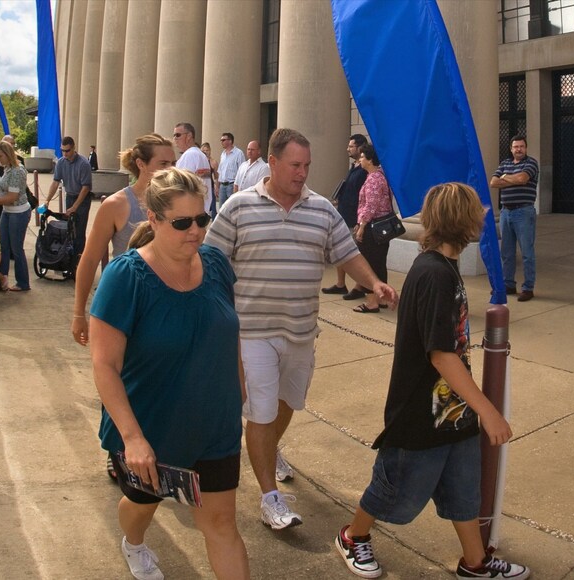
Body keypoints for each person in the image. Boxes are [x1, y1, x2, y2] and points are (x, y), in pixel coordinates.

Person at [204, 128, 398, 531]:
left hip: (301, 331)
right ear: (272, 163)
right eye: (295, 165)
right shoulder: (238, 207)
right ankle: (269, 497)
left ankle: (270, 449)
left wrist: (373, 283)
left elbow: (347, 253)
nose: (302, 173)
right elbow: (209, 263)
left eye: (307, 165)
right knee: (260, 411)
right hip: (252, 331)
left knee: (288, 403)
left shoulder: (322, 210)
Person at [333, 182, 530, 580]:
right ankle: (353, 536)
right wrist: (489, 412)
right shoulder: (433, 273)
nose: (484, 216)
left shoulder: (443, 267)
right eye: (478, 210)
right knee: (394, 488)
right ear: (460, 220)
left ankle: (474, 563)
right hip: (421, 413)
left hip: (450, 409)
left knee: (463, 491)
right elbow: (440, 354)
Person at [89, 168, 250, 580]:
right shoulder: (125, 277)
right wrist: (132, 438)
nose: (195, 231)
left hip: (215, 425)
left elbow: (227, 327)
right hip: (151, 426)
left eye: (202, 219)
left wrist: (239, 382)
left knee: (220, 524)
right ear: (154, 219)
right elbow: (104, 364)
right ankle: (134, 543)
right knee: (142, 505)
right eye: (182, 222)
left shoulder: (215, 263)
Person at [72, 133, 177, 346]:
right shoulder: (115, 205)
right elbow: (90, 260)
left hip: (169, 304)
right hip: (127, 304)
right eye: (164, 163)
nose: (171, 169)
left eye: (174, 163)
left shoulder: (180, 202)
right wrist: (78, 314)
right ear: (141, 164)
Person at [489, 135, 539, 302]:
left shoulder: (531, 163)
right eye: (516, 147)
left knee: (527, 252)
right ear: (511, 149)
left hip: (523, 212)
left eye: (521, 146)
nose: (518, 149)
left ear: (526, 148)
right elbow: (493, 182)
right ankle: (508, 284)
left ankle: (528, 288)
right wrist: (511, 180)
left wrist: (505, 178)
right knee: (507, 253)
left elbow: (522, 178)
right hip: (505, 212)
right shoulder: (505, 163)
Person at [322, 134, 369, 298]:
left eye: (351, 146)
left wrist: (360, 221)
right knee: (339, 250)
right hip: (344, 213)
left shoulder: (365, 171)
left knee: (355, 252)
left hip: (355, 217)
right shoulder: (354, 167)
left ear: (360, 147)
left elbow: (364, 198)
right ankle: (341, 284)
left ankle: (359, 287)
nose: (347, 149)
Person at [351, 144, 393, 314]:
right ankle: (381, 299)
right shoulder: (380, 176)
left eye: (362, 156)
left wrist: (362, 226)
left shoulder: (374, 179)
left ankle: (371, 303)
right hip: (379, 228)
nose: (360, 160)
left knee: (368, 264)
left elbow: (371, 206)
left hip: (372, 228)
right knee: (379, 263)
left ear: (369, 159)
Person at [0, 140, 32, 292]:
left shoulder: (17, 171)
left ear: (8, 155)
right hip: (8, 211)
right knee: (4, 245)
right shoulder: (9, 168)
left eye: (0, 156)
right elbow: (5, 193)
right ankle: (0, 277)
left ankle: (23, 282)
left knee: (16, 247)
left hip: (18, 212)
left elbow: (12, 197)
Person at [44, 136, 94, 255]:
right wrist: (47, 200)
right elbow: (55, 182)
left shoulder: (83, 163)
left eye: (67, 150)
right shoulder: (61, 162)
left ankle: (78, 258)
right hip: (70, 196)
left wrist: (75, 207)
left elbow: (85, 187)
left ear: (73, 148)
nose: (65, 153)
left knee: (79, 230)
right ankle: (68, 255)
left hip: (82, 199)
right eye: (62, 150)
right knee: (69, 228)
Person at [173, 123, 213, 215]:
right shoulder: (200, 155)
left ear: (189, 136)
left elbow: (182, 185)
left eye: (178, 135)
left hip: (189, 212)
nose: (175, 138)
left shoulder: (189, 155)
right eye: (174, 135)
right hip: (201, 210)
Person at [217, 132, 246, 207]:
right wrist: (217, 186)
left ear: (230, 141)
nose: (221, 142)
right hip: (222, 186)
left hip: (232, 185)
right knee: (222, 209)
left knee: (232, 207)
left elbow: (242, 170)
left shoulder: (238, 153)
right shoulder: (223, 154)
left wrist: (238, 187)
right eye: (221, 140)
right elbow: (220, 171)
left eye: (223, 140)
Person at [200, 142, 219, 216]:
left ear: (210, 150)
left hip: (210, 187)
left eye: (206, 150)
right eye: (203, 150)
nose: (205, 152)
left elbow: (216, 177)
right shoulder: (199, 161)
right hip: (201, 187)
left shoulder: (213, 162)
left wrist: (216, 187)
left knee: (213, 206)